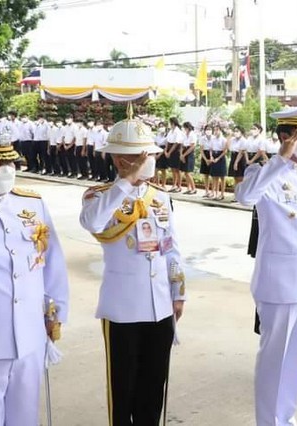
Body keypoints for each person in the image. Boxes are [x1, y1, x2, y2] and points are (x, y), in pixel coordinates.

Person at [79, 113, 186, 425]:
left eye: (150, 155)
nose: (149, 160)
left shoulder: (160, 198)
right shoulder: (100, 197)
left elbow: (171, 248)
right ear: (119, 159)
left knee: (154, 387)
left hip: (160, 306)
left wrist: (178, 292)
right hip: (123, 310)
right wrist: (125, 183)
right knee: (123, 390)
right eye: (142, 156)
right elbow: (92, 222)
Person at [236, 103, 297, 426]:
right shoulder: (263, 173)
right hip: (278, 283)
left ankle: (286, 418)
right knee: (275, 360)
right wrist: (279, 160)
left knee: (295, 360)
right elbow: (245, 197)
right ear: (286, 136)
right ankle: (269, 421)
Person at [0, 136, 69, 425]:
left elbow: (52, 264)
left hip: (29, 335)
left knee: (24, 417)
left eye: (9, 162)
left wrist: (55, 312)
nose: (5, 169)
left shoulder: (32, 205)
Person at [164, 117, 184, 193]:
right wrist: (166, 151)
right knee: (172, 169)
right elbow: (167, 141)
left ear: (173, 123)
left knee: (177, 169)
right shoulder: (171, 131)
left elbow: (176, 143)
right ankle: (174, 185)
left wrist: (169, 152)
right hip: (170, 149)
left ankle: (179, 186)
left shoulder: (178, 131)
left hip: (175, 151)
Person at [209, 126, 228, 200]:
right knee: (214, 176)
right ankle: (215, 193)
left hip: (220, 157)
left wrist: (218, 158)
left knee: (222, 177)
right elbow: (210, 149)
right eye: (215, 130)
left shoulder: (223, 139)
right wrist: (211, 156)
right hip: (214, 155)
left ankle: (222, 194)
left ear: (220, 130)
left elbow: (225, 151)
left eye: (217, 130)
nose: (216, 131)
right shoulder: (213, 139)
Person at [228, 126, 247, 195]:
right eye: (235, 131)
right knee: (235, 177)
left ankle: (241, 194)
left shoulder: (243, 140)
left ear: (241, 132)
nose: (235, 133)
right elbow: (229, 147)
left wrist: (236, 162)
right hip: (233, 156)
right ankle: (236, 194)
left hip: (240, 159)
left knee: (240, 178)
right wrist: (229, 136)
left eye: (237, 131)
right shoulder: (233, 139)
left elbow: (241, 152)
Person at [179, 122, 197, 195]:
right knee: (185, 172)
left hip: (189, 153)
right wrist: (181, 154)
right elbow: (182, 145)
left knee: (188, 172)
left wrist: (184, 155)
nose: (184, 129)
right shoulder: (184, 134)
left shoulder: (193, 134)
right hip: (184, 151)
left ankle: (194, 188)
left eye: (185, 127)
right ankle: (188, 188)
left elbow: (192, 146)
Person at [154, 122, 168, 187]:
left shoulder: (167, 136)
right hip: (157, 150)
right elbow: (155, 144)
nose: (161, 128)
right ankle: (157, 184)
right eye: (160, 126)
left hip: (163, 152)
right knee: (156, 169)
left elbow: (166, 147)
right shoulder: (157, 136)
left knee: (163, 169)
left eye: (162, 126)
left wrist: (160, 154)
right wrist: (155, 155)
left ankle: (163, 185)